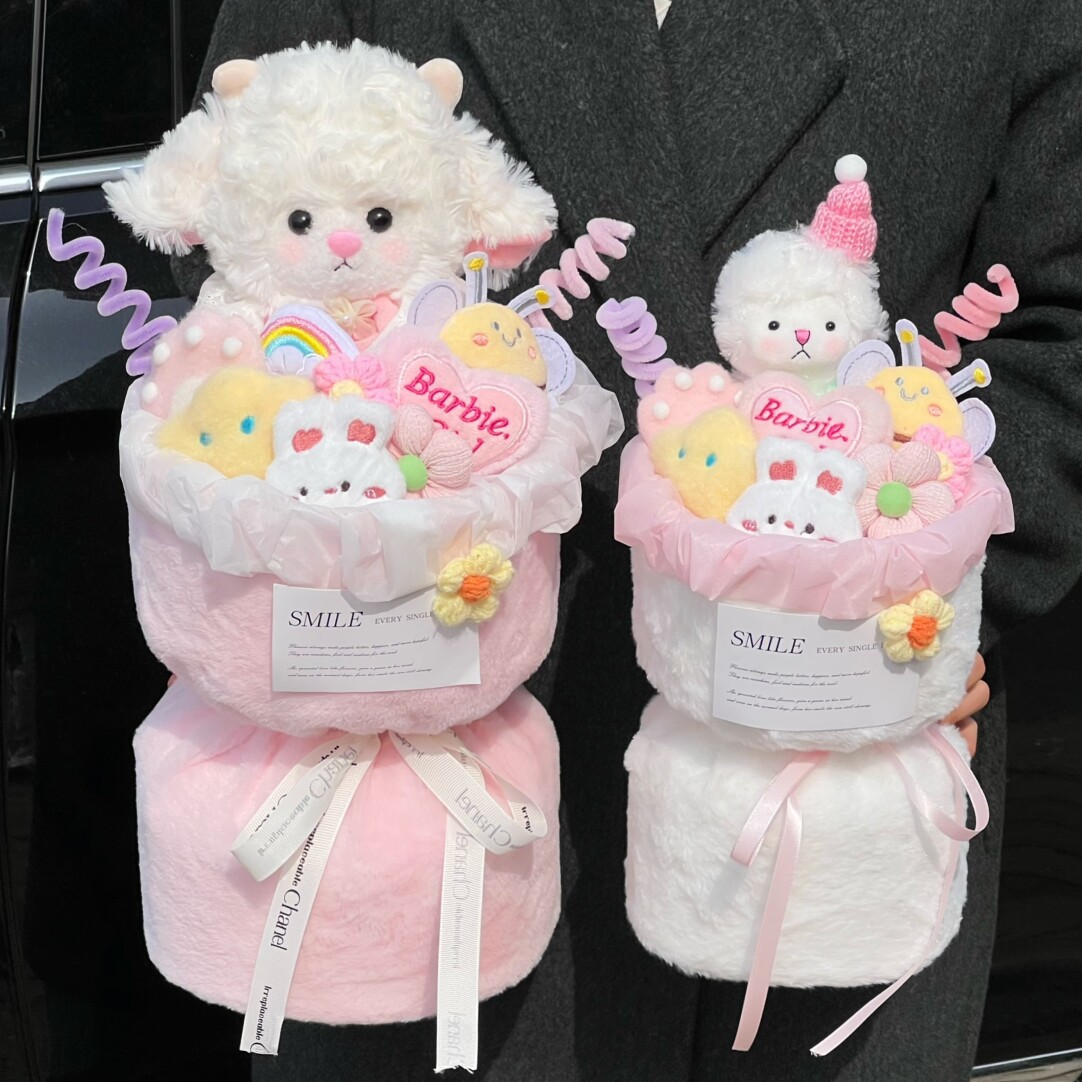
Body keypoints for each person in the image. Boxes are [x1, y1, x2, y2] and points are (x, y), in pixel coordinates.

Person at [172, 3, 1082, 1079]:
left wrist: (929, 579)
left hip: (847, 753)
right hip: (438, 745)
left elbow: (1060, 322)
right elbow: (231, 243)